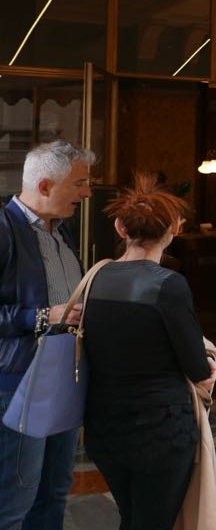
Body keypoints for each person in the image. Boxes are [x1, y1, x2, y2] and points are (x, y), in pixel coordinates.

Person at [82, 176, 216, 528]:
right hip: (160, 432)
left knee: (133, 516)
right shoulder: (168, 285)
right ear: (174, 228)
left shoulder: (96, 277)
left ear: (119, 226)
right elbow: (196, 367)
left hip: (104, 428)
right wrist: (211, 362)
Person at [0, 140, 93, 530]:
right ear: (44, 186)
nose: (87, 192)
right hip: (21, 382)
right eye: (80, 183)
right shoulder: (4, 230)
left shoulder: (61, 231)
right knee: (14, 503)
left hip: (62, 378)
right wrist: (42, 317)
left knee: (55, 491)